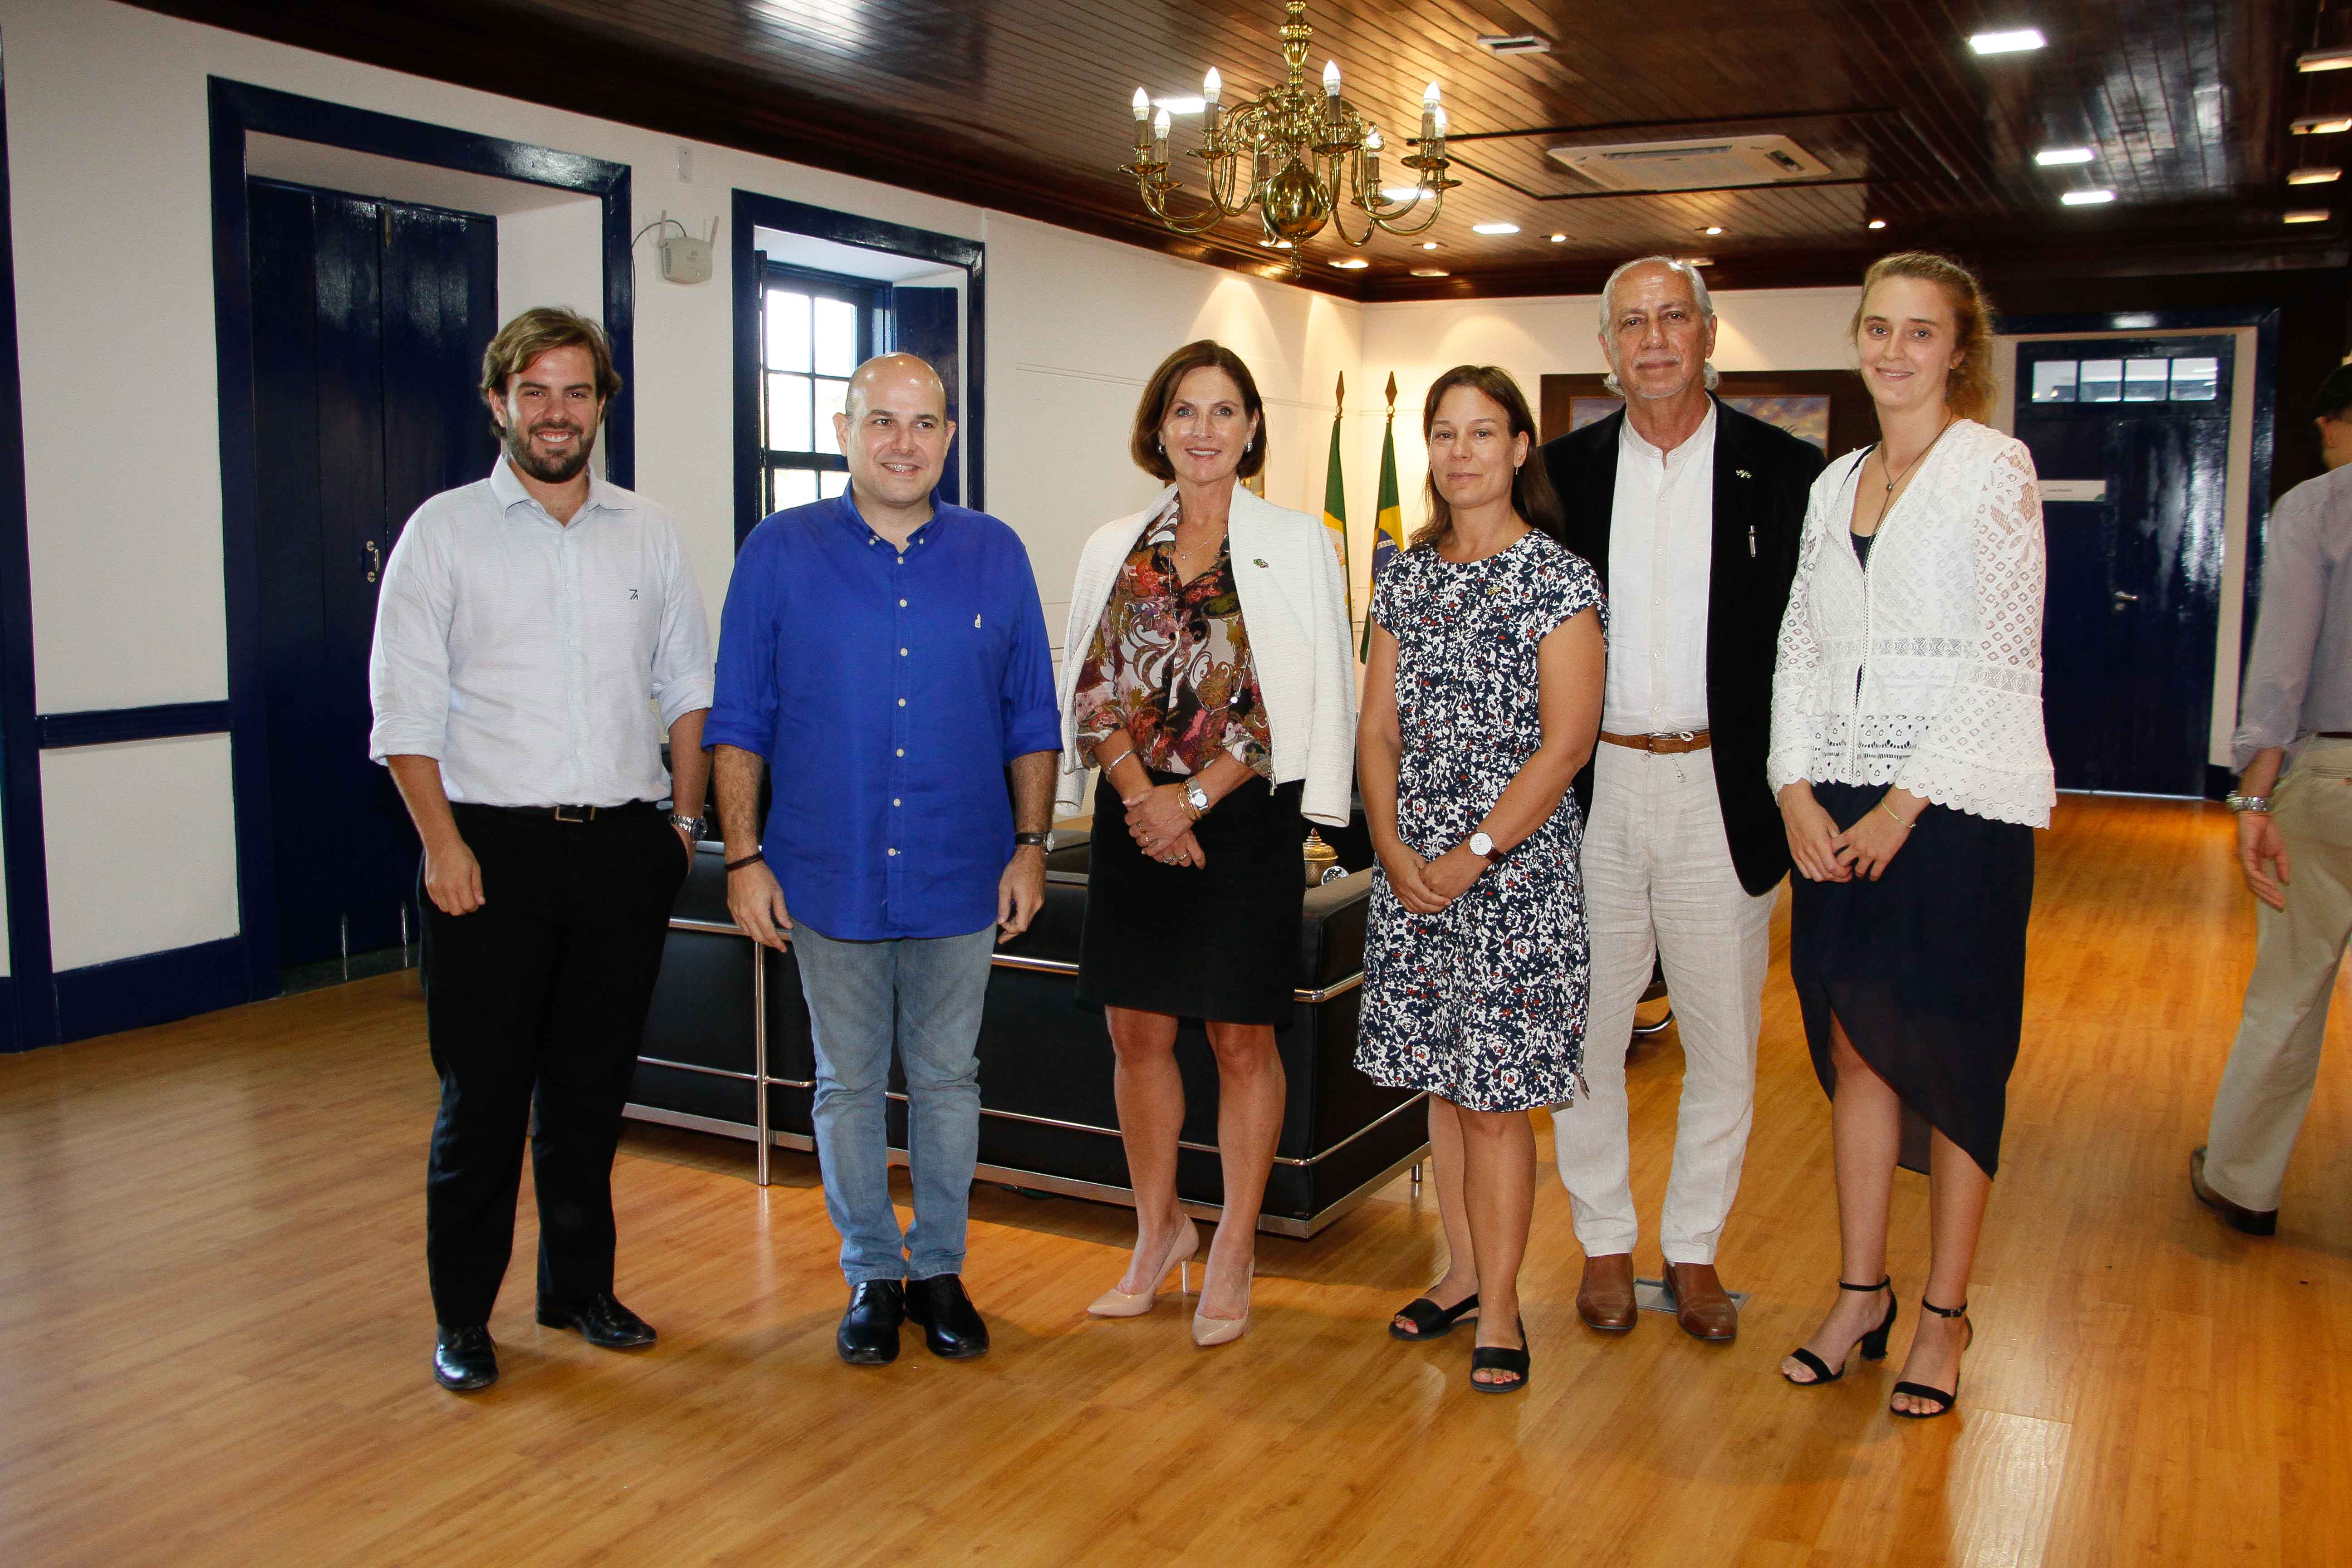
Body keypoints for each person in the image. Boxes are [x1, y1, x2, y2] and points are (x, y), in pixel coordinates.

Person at [369, 306, 713, 1394]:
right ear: (499, 404)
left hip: (624, 848)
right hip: (489, 856)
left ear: (602, 407)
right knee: (483, 1099)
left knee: (590, 1093)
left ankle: (578, 1290)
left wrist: (684, 827)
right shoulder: (443, 533)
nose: (556, 414)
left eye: (576, 393)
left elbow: (687, 689)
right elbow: (403, 712)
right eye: (536, 392)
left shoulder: (649, 531)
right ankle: (464, 1318)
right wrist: (441, 846)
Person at [708, 353, 1059, 1367]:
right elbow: (740, 720)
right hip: (827, 872)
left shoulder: (997, 554)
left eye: (924, 423)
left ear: (950, 437)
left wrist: (1032, 848)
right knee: (846, 1085)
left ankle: (939, 1267)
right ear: (844, 427)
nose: (903, 442)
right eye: (882, 422)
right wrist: (743, 857)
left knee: (950, 1080)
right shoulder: (779, 551)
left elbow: (1030, 718)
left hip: (963, 869)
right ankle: (871, 1270)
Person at [1768, 252, 2053, 1419]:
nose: (1894, 351)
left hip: (1957, 812)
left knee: (1954, 1058)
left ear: (1957, 351)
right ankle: (1860, 1293)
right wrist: (1792, 784)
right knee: (1856, 1052)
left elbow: (2002, 655)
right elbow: (1798, 643)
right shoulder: (1834, 483)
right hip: (1834, 802)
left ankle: (1945, 1315)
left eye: (1920, 333)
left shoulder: (1997, 469)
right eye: (1877, 329)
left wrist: (1902, 804)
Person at [1531, 256, 1823, 1343]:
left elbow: (1811, 647)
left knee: (1722, 1044)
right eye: (1631, 325)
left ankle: (1694, 1251)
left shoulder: (1784, 472)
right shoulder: (1558, 475)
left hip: (1721, 791)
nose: (1653, 341)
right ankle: (1605, 1243)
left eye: (1672, 320)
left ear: (1708, 335)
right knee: (1589, 1037)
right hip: (1595, 787)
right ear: (1607, 352)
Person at [1056, 339, 1356, 1348]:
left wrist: (1192, 801)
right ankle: (1159, 1232)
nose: (1203, 431)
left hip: (1246, 821)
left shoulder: (1298, 541)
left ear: (1253, 429)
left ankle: (1233, 1244)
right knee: (1135, 1032)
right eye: (1186, 411)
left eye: (1224, 412)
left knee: (1240, 1037)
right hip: (1134, 816)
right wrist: (1145, 798)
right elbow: (1089, 688)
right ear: (1159, 425)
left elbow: (1299, 695)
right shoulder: (1115, 545)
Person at [1357, 364, 1607, 1393]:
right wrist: (1392, 845)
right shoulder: (1405, 577)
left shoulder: (1558, 578)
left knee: (1497, 1101)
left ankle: (1503, 1308)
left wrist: (1472, 856)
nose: (1461, 453)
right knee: (1444, 1088)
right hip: (1412, 874)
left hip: (1513, 884)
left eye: (1482, 433)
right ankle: (1460, 1275)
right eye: (1444, 434)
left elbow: (1567, 744)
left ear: (1517, 450)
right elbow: (1376, 728)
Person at [2191, 363, 2352, 1238]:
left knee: (2289, 996)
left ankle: (2244, 1182)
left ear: (2339, 422)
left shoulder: (2320, 507)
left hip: (2334, 780)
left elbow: (2284, 666)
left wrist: (2255, 802)